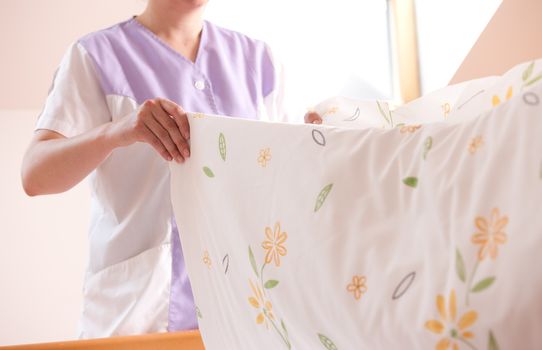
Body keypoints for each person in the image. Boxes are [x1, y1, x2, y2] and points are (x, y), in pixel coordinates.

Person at [21, 0, 323, 338]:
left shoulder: (259, 61)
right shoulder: (96, 55)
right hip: (136, 316)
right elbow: (35, 174)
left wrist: (316, 146)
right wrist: (118, 131)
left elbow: (285, 189)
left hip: (242, 313)